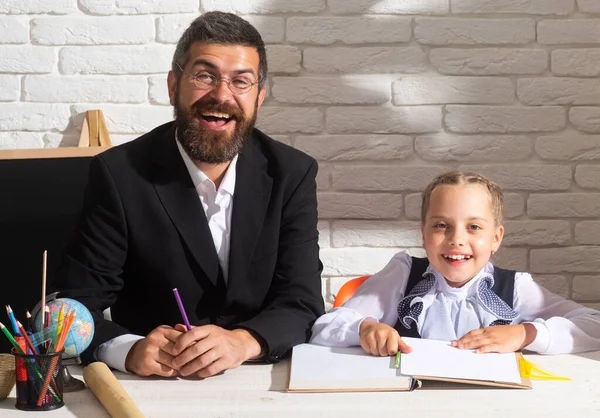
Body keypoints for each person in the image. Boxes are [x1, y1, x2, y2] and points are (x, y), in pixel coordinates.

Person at [53, 11, 324, 378]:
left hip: (263, 379)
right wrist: (129, 349)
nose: (221, 95)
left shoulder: (292, 173)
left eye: (240, 82)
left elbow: (303, 302)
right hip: (154, 385)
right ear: (173, 85)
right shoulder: (118, 174)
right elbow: (78, 305)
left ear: (259, 97)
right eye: (204, 76)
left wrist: (242, 342)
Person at [310, 171, 600, 356]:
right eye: (440, 226)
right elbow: (324, 327)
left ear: (496, 238)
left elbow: (593, 324)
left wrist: (525, 333)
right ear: (423, 235)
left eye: (474, 227)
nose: (456, 240)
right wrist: (364, 328)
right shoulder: (403, 274)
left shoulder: (515, 288)